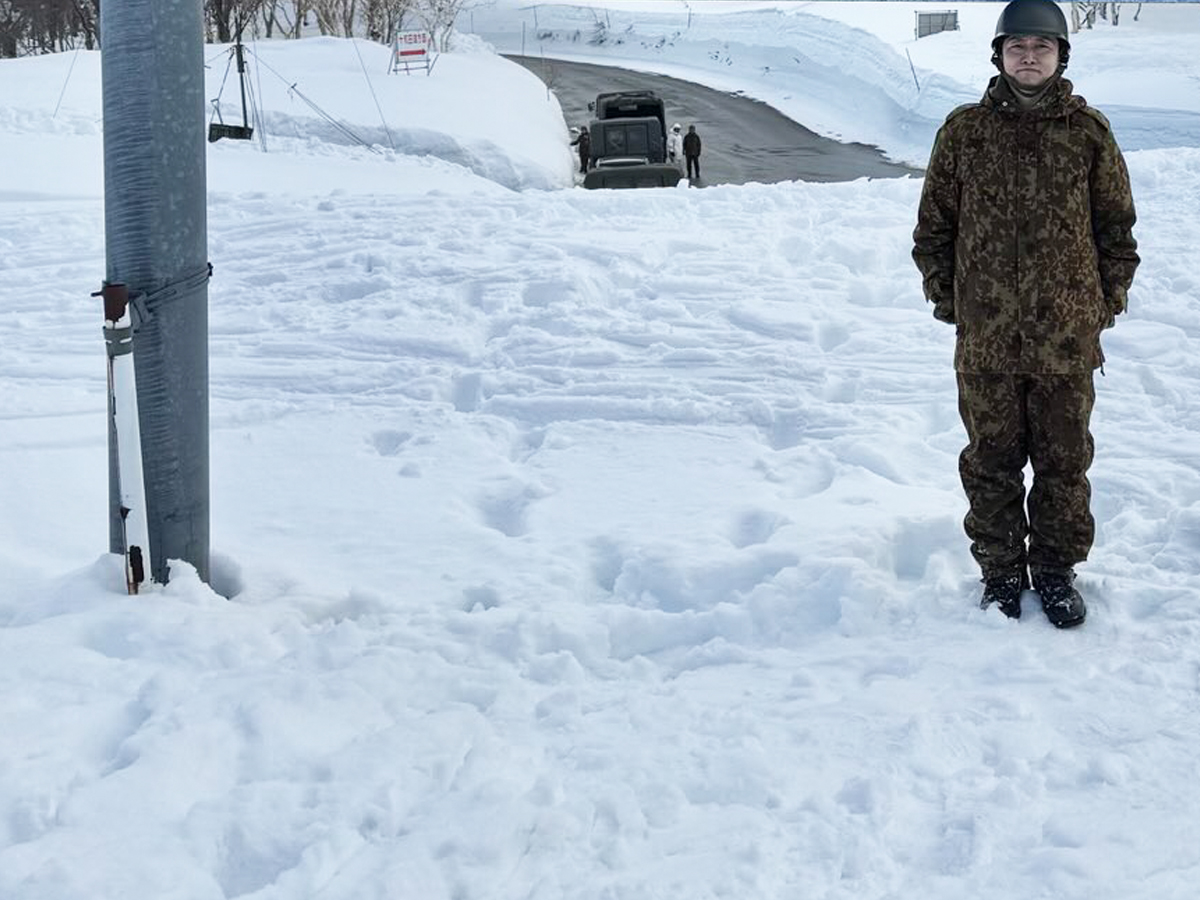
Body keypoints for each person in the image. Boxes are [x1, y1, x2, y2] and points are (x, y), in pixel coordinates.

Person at [912, 0, 1139, 628]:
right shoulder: (964, 132)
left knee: (1065, 461)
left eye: (1043, 46)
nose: (1030, 56)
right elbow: (934, 230)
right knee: (991, 458)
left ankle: (1057, 572)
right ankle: (1001, 572)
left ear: (1062, 54)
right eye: (1018, 47)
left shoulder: (1088, 132)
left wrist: (1100, 308)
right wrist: (953, 303)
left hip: (1066, 342)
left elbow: (1116, 232)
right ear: (999, 55)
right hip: (985, 341)